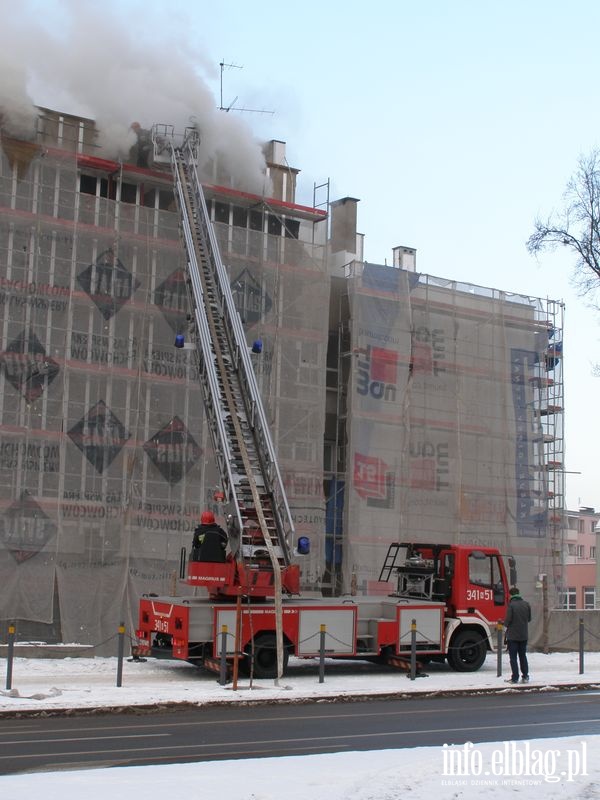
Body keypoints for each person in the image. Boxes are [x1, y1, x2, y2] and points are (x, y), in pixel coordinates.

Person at [504, 586, 531, 684]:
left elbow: (507, 621)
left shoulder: (511, 605)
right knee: (523, 656)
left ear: (511, 595)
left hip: (513, 636)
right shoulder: (526, 604)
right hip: (524, 635)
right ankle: (525, 676)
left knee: (513, 657)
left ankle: (515, 677)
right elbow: (529, 619)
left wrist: (504, 628)